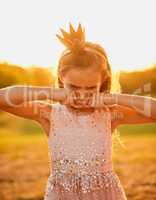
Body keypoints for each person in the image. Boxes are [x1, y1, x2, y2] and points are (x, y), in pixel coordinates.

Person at [0, 23, 156, 200]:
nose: (81, 95)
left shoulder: (109, 114)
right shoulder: (49, 114)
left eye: (90, 88)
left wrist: (112, 98)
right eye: (73, 87)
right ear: (60, 77)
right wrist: (51, 93)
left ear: (103, 81)